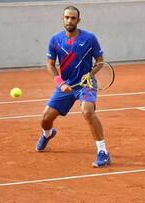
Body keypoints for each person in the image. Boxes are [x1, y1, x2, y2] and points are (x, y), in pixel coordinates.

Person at [35, 6, 111, 168]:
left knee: (88, 111)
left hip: (86, 84)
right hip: (66, 85)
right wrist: (60, 83)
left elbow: (100, 61)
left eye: (73, 18)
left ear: (78, 20)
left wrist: (90, 74)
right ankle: (47, 134)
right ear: (63, 19)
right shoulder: (55, 40)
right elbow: (50, 64)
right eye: (67, 17)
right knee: (45, 119)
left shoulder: (89, 38)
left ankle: (103, 152)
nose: (70, 20)